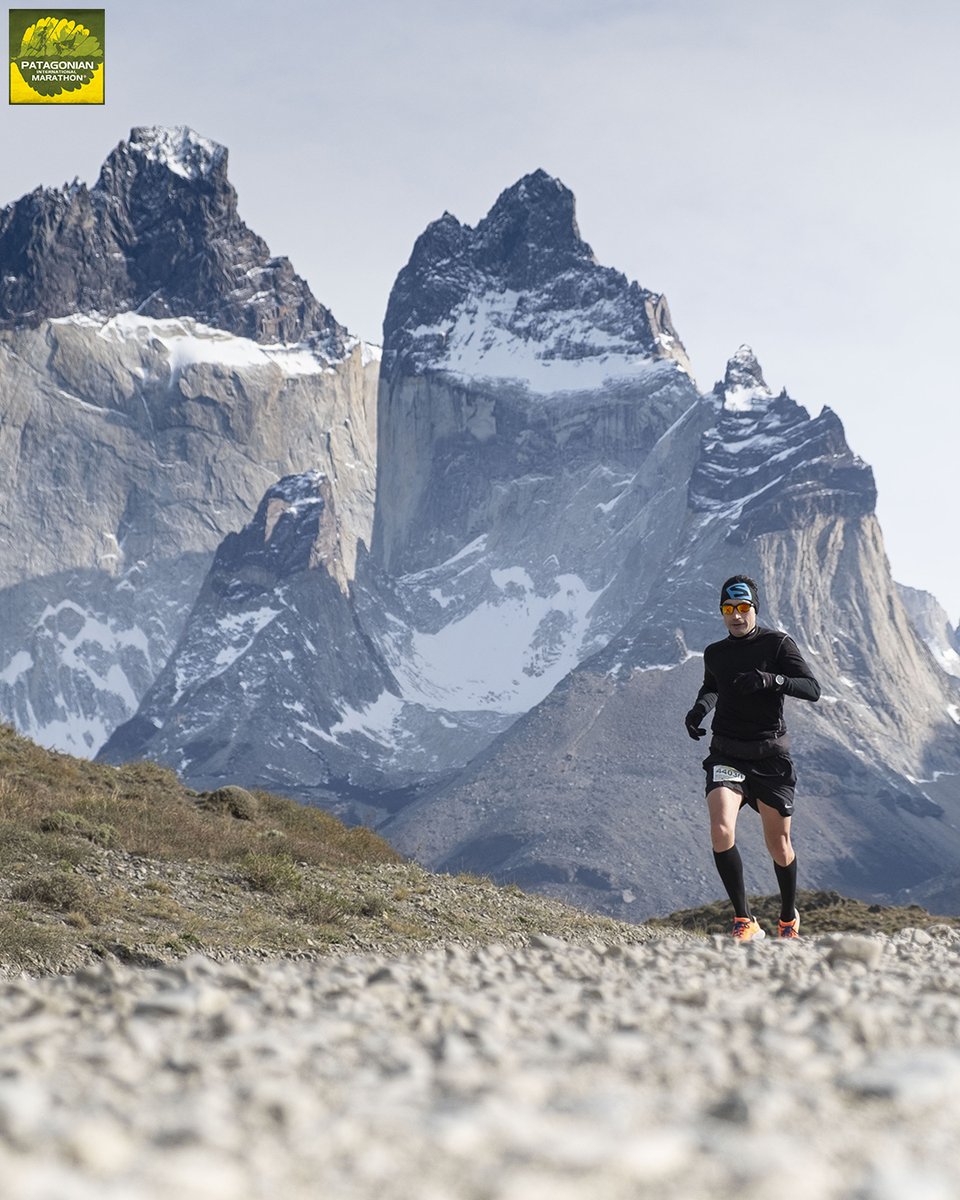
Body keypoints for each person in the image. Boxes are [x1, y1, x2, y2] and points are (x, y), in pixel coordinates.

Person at [684, 575, 821, 941]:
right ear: (722, 613)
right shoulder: (716, 653)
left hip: (770, 757)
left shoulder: (778, 644)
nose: (736, 615)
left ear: (754, 609)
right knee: (721, 829)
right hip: (727, 752)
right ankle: (744, 920)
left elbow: (812, 689)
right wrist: (699, 709)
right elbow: (712, 686)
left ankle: (788, 917)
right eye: (728, 609)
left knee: (779, 845)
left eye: (743, 608)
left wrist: (771, 680)